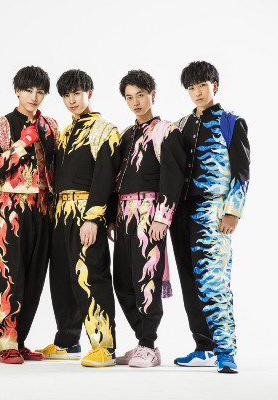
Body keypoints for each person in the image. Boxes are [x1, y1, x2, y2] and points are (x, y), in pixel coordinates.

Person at [170, 61, 250, 374]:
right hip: (181, 214)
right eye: (191, 88)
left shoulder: (231, 122)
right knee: (190, 281)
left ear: (214, 85)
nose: (197, 92)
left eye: (202, 85)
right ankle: (203, 347)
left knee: (214, 281)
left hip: (213, 212)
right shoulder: (181, 124)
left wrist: (233, 212)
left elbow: (241, 172)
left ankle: (226, 352)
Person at [108, 70, 185, 368]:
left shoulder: (167, 131)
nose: (136, 102)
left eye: (140, 95)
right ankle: (143, 342)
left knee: (146, 279)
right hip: (124, 215)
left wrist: (162, 218)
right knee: (122, 281)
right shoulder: (127, 135)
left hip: (149, 215)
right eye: (129, 97)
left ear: (152, 94)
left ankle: (149, 344)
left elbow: (172, 177)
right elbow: (116, 178)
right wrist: (112, 218)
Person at [0, 66, 60, 364]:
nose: (34, 97)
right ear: (17, 90)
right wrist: (22, 143)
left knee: (34, 276)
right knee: (7, 273)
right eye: (28, 90)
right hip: (9, 207)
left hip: (43, 208)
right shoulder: (0, 124)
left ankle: (21, 340)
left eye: (40, 92)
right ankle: (6, 343)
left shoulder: (51, 126)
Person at [51, 69, 120, 368]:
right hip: (60, 214)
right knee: (62, 279)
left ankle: (104, 347)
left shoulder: (105, 130)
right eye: (66, 95)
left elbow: (105, 178)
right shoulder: (65, 133)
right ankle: (68, 341)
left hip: (86, 212)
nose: (72, 100)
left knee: (91, 276)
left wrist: (94, 218)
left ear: (89, 93)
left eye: (77, 93)